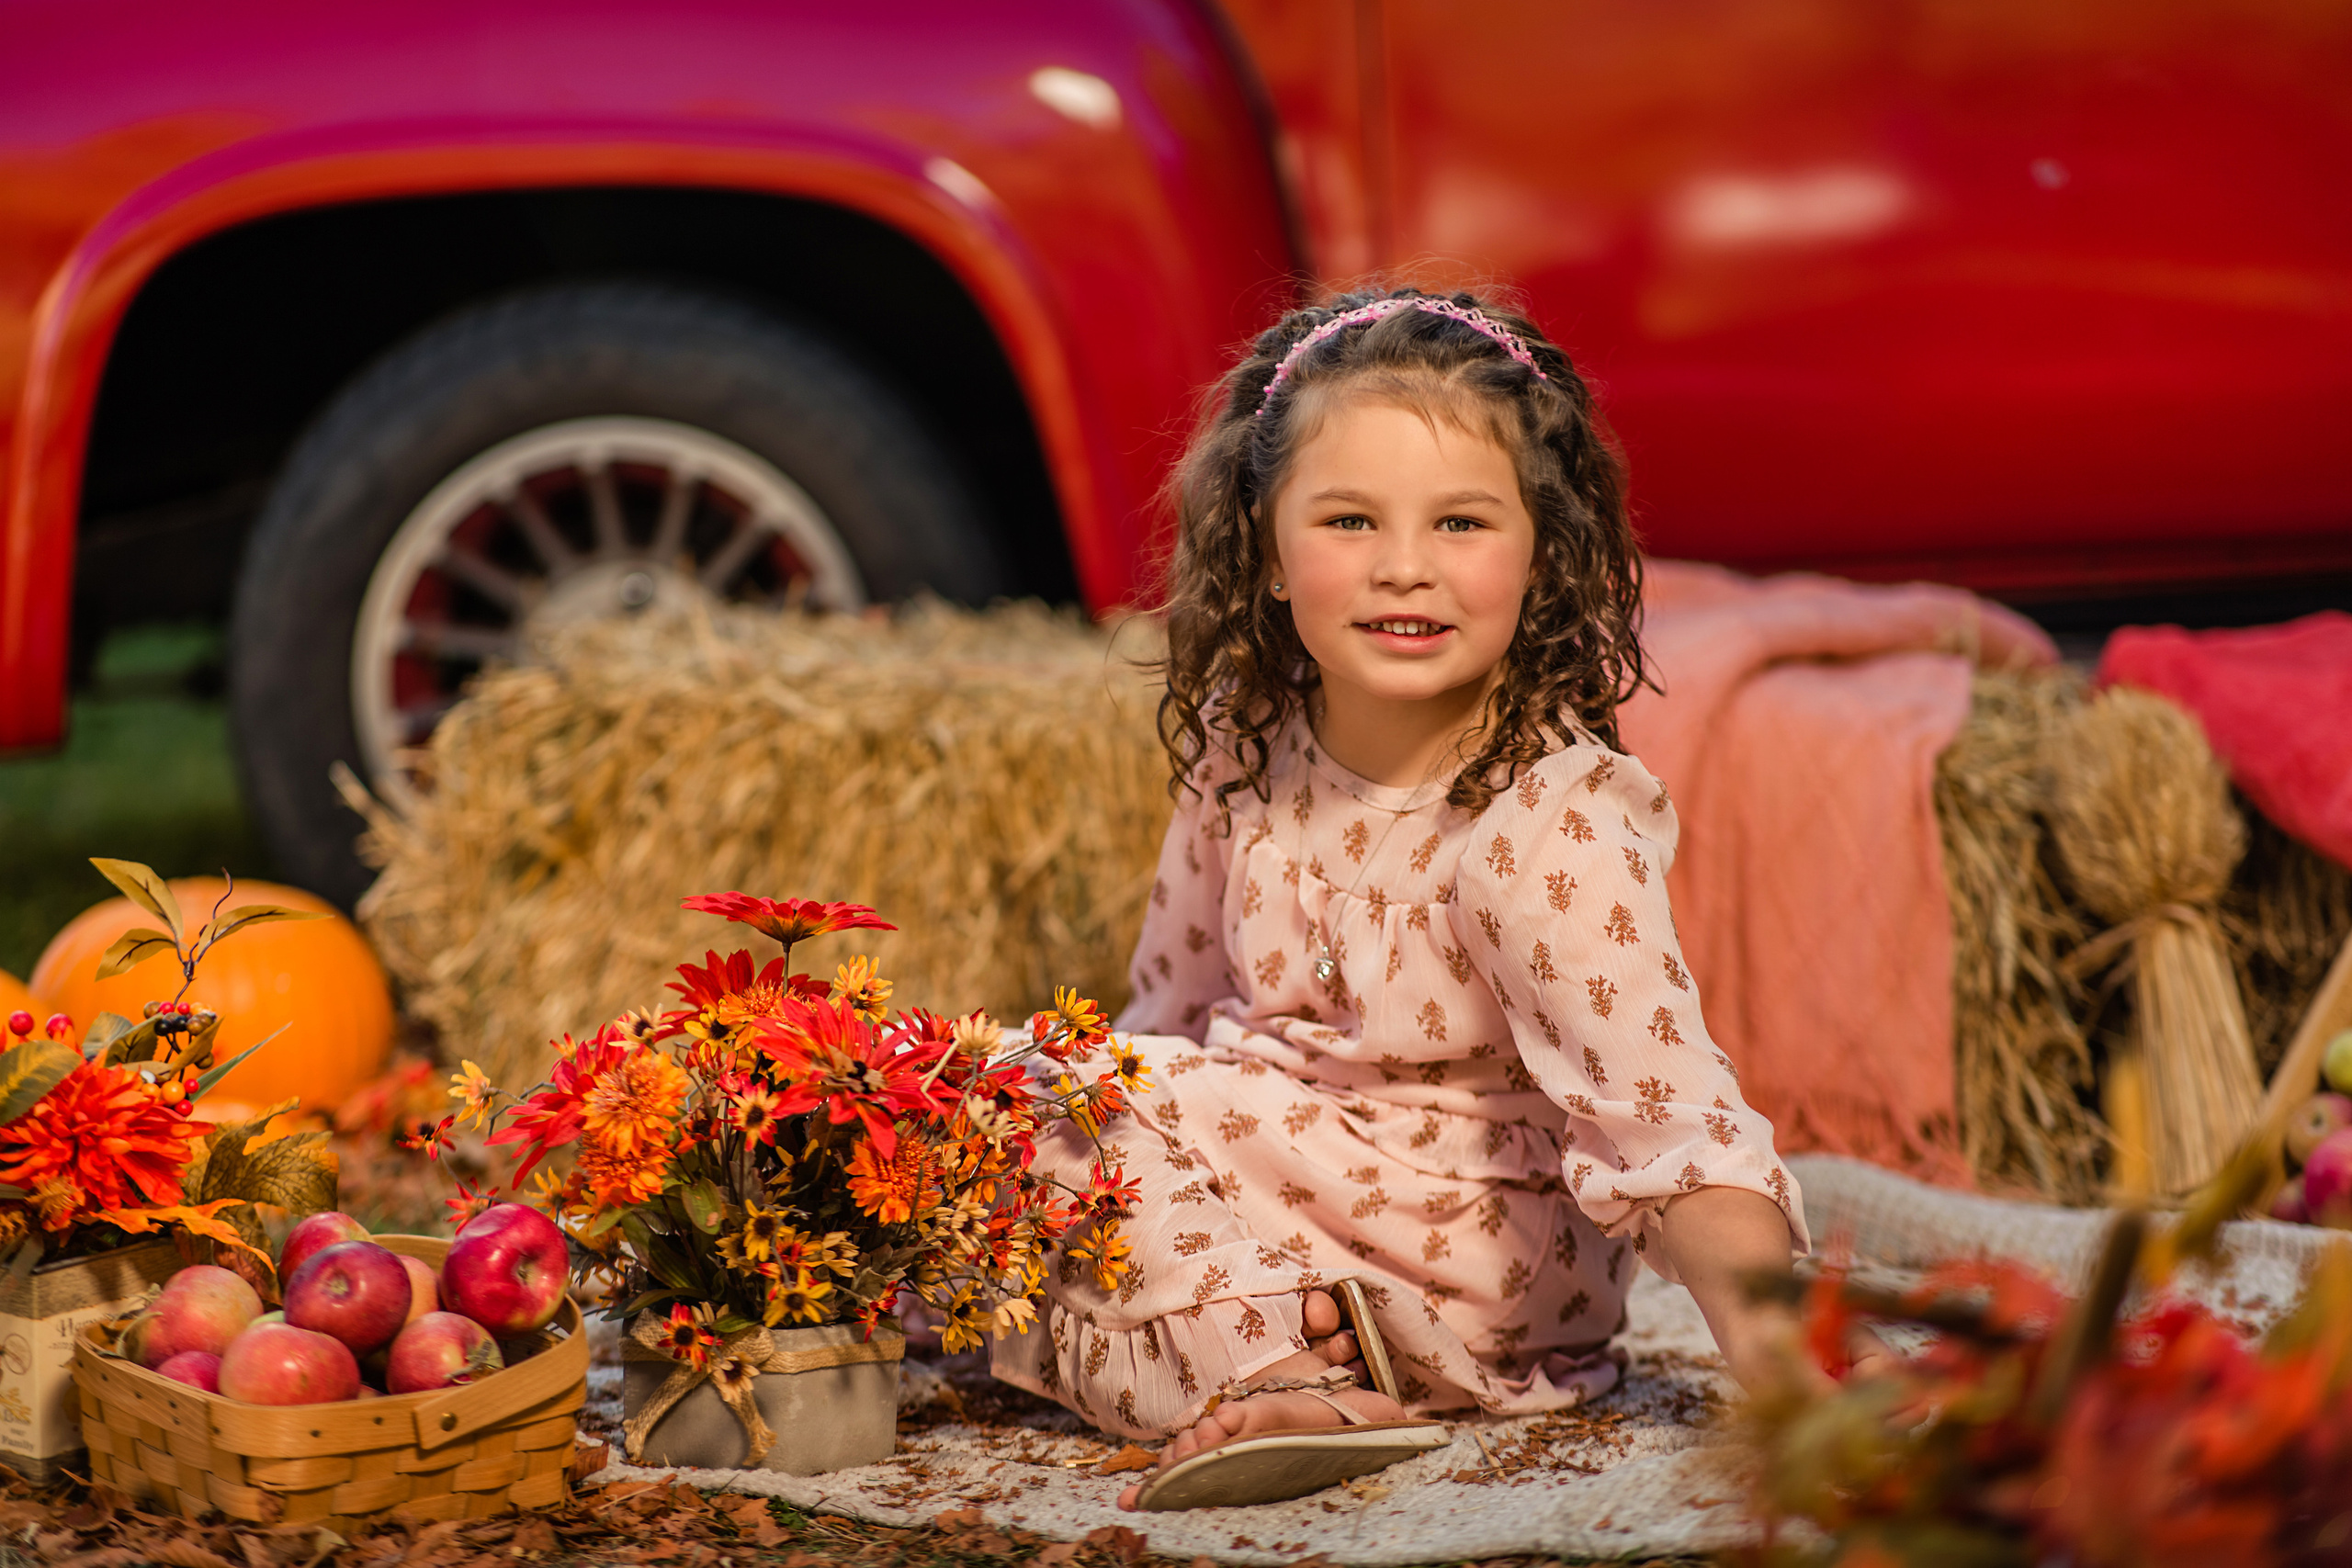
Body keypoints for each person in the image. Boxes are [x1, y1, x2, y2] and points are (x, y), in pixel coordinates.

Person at [989, 286, 1819, 1510]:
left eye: (1464, 523)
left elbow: (1674, 1127)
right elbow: (1167, 1016)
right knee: (991, 1132)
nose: (1405, 569)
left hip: (1478, 1255)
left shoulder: (1545, 819)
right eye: (1349, 519)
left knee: (1044, 1111)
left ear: (1543, 556)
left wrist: (1787, 1373)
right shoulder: (1245, 742)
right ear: (1265, 552)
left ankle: (1274, 1367)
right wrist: (1110, 1171)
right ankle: (1288, 1340)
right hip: (1279, 1185)